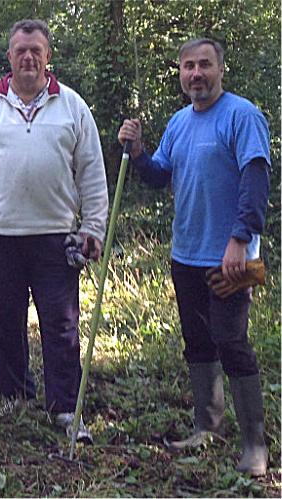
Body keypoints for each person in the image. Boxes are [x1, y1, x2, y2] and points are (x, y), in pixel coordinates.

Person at [0, 20, 108, 438]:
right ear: (10, 57)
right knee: (3, 321)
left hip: (55, 237)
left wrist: (93, 227)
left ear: (48, 56)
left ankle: (65, 409)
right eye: (21, 50)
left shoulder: (72, 107)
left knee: (61, 325)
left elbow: (91, 169)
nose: (28, 57)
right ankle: (14, 396)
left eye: (36, 50)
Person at [118, 38, 270, 476]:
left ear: (221, 68)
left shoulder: (242, 116)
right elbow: (158, 176)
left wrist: (241, 238)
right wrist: (138, 151)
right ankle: (208, 426)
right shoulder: (180, 122)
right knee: (198, 343)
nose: (196, 73)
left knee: (232, 341)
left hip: (230, 258)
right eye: (188, 66)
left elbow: (255, 178)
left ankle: (254, 444)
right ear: (180, 74)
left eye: (204, 64)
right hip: (185, 253)